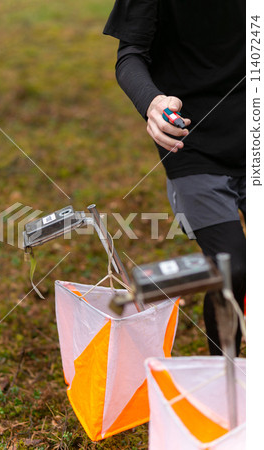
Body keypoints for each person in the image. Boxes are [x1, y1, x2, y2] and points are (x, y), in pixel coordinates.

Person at [103, 0, 246, 355]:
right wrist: (151, 103)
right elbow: (131, 54)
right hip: (190, 141)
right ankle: (222, 378)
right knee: (234, 268)